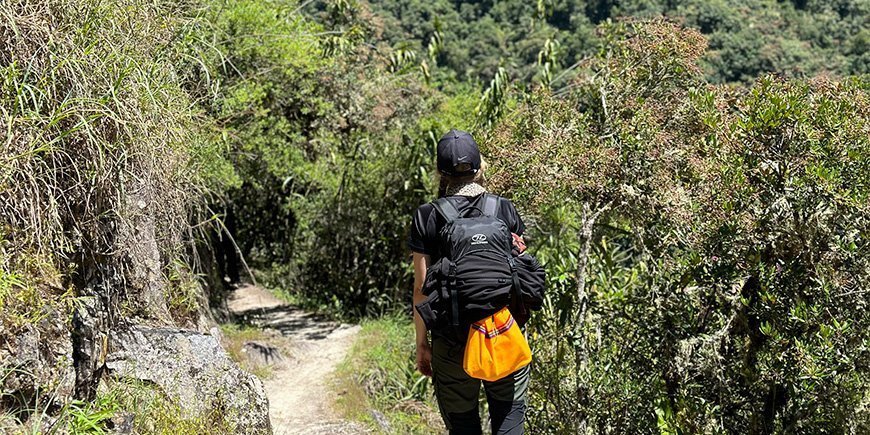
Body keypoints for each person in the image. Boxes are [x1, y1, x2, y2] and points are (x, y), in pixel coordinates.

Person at [408, 129, 529, 434]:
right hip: (503, 332)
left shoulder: (426, 216)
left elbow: (421, 290)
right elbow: (517, 275)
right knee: (508, 422)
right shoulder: (504, 209)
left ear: (440, 172)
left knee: (463, 428)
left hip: (452, 341)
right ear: (479, 168)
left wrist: (422, 344)